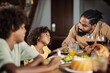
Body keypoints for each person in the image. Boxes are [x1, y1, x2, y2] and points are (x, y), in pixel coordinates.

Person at [0, 3, 60, 73]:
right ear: (13, 27)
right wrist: (49, 66)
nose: (25, 31)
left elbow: (39, 58)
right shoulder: (1, 44)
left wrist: (25, 70)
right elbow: (14, 70)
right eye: (22, 27)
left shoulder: (19, 44)